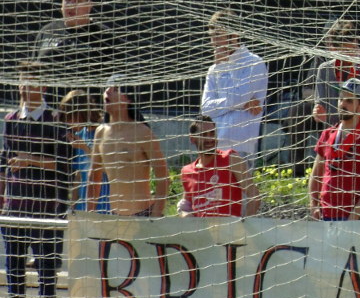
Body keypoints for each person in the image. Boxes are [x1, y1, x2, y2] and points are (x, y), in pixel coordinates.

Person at [0, 62, 74, 298]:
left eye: (29, 81)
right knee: (14, 269)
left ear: (42, 87)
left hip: (47, 209)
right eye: (21, 81)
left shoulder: (55, 120)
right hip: (15, 207)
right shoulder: (10, 120)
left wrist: (31, 160)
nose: (23, 87)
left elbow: (66, 164)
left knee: (46, 270)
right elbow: (5, 160)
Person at [91, 78, 169, 217]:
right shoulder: (100, 132)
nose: (108, 91)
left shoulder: (142, 132)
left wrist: (156, 213)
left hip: (143, 215)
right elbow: (94, 176)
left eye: (115, 89)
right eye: (107, 87)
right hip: (114, 216)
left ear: (128, 99)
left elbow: (162, 176)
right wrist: (89, 213)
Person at [308, 78, 360, 221]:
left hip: (352, 217)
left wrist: (355, 215)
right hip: (325, 213)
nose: (342, 104)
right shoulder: (327, 134)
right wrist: (314, 204)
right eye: (341, 99)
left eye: (349, 101)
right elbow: (316, 173)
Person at [200, 9, 269, 161]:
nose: (213, 42)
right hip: (214, 144)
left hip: (241, 145)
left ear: (234, 35)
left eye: (218, 35)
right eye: (211, 36)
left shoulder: (254, 63)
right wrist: (242, 104)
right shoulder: (214, 69)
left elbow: (238, 97)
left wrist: (239, 101)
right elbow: (206, 108)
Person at [34, 0, 115, 93]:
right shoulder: (46, 31)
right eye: (67, 0)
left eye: (78, 1)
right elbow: (31, 74)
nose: (71, 5)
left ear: (89, 6)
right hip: (48, 103)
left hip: (86, 103)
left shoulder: (104, 36)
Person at [178, 116, 259, 218]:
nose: (209, 139)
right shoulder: (187, 171)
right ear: (192, 138)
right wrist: (184, 214)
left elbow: (254, 195)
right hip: (201, 228)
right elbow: (185, 206)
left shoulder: (230, 159)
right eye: (204, 134)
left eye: (212, 133)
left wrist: (243, 225)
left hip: (229, 227)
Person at [58, 89, 110, 213]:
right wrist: (73, 205)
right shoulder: (81, 134)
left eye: (69, 118)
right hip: (83, 207)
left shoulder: (104, 132)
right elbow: (79, 174)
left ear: (81, 113)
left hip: (104, 206)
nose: (68, 123)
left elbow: (109, 169)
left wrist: (85, 147)